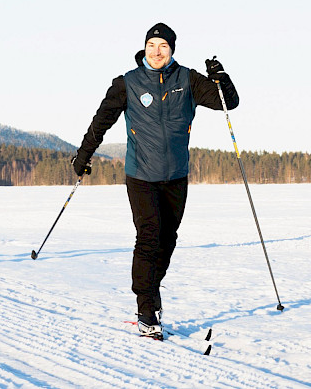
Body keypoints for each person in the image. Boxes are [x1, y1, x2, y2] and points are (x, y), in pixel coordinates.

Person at [71, 22, 239, 339]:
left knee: (168, 239)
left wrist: (221, 78)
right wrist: (83, 155)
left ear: (171, 50)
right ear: (144, 49)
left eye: (163, 46)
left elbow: (226, 102)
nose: (157, 51)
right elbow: (101, 120)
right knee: (149, 237)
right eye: (152, 45)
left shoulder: (187, 80)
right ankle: (147, 310)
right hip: (141, 174)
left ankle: (150, 289)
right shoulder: (128, 83)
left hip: (176, 174)